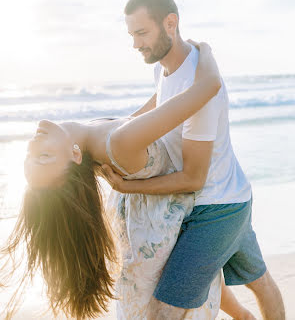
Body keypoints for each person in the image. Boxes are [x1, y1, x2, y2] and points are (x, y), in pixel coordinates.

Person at [0, 43, 249, 320]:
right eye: (44, 156)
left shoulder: (98, 136)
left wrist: (171, 72)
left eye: (30, 154)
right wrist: (204, 50)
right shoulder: (117, 144)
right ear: (74, 156)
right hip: (184, 218)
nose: (34, 143)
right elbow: (206, 88)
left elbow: (161, 105)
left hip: (154, 233)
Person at [105, 0, 285, 320]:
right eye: (131, 34)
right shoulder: (164, 68)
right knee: (257, 282)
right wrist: (113, 132)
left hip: (215, 207)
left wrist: (129, 187)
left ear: (170, 23)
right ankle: (244, 318)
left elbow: (192, 178)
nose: (135, 44)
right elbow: (154, 108)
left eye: (142, 32)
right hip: (226, 196)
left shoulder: (198, 87)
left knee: (171, 304)